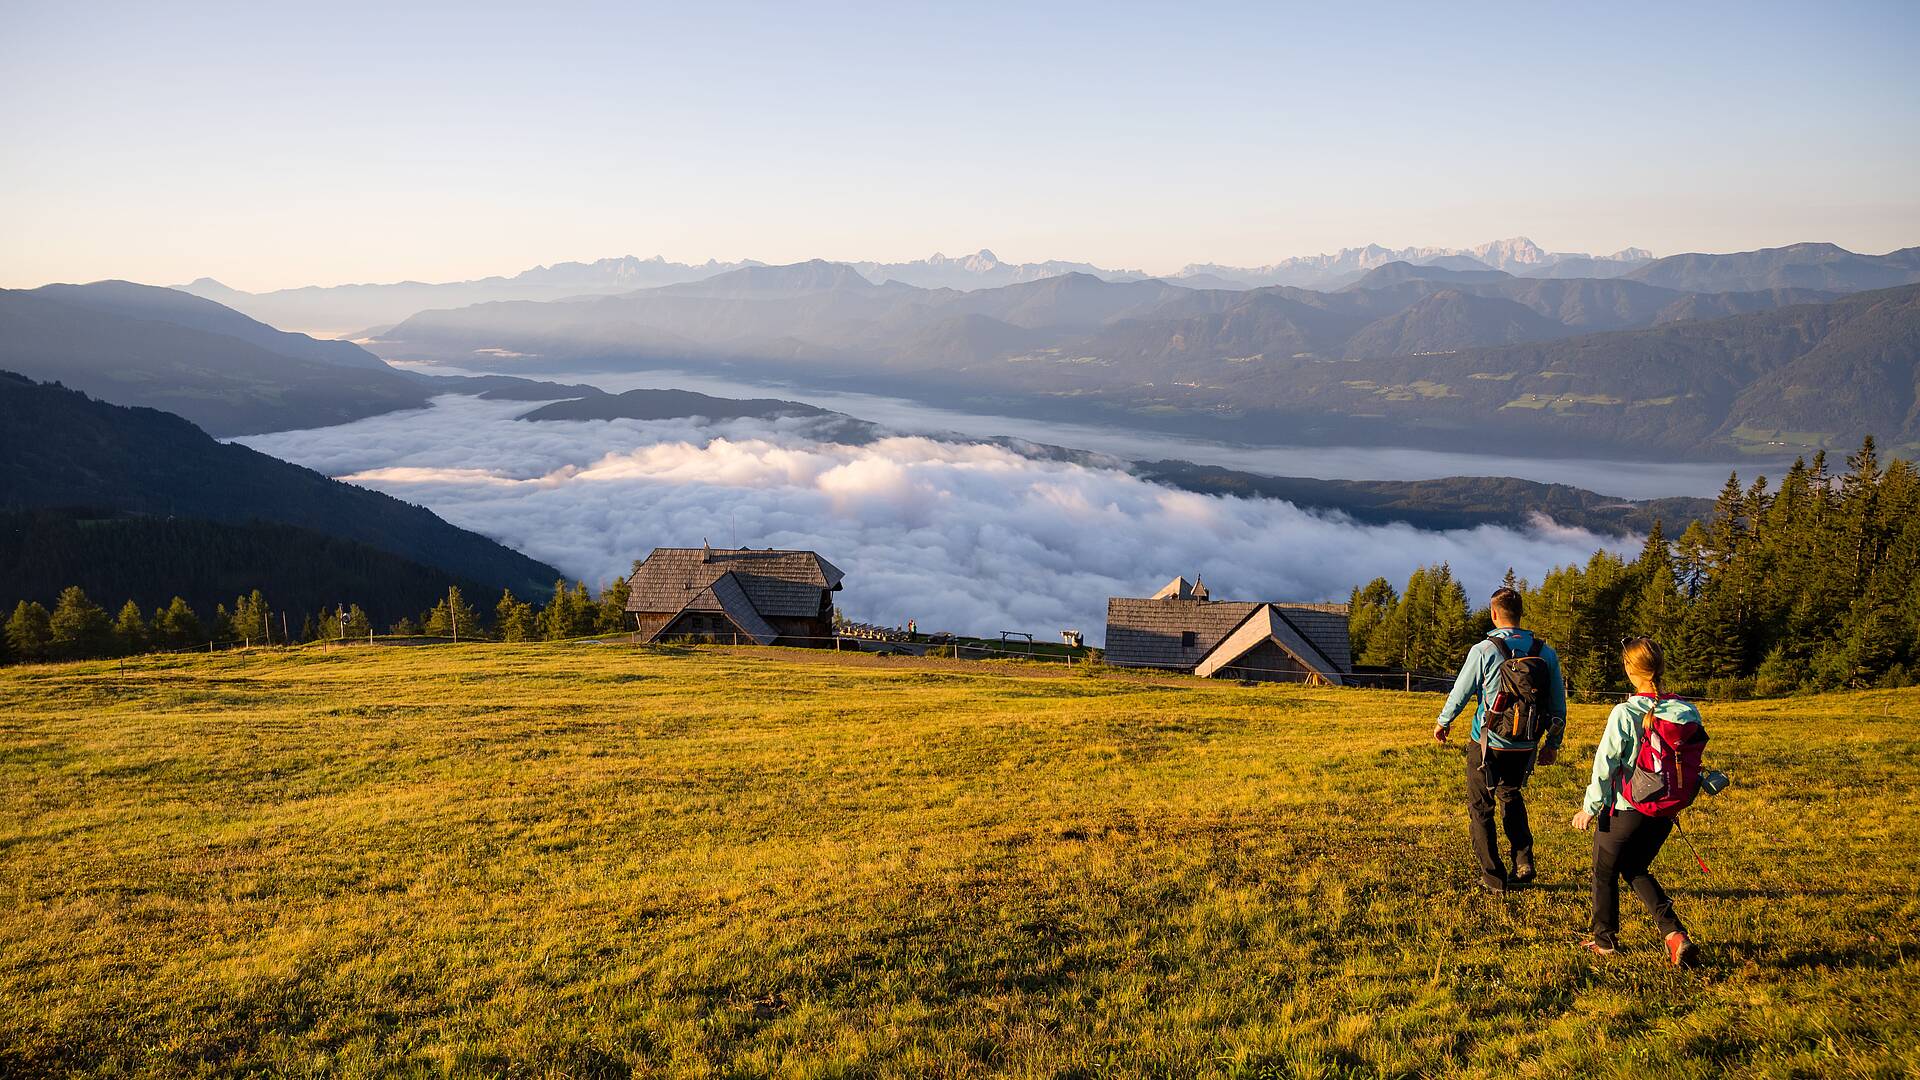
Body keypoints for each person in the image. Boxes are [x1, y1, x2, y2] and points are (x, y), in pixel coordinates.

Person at [1572, 637, 1700, 965]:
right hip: (1665, 811)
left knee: (1604, 872)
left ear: (1630, 669)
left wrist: (1590, 807)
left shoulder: (1625, 712)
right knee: (1635, 866)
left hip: (1625, 811)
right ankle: (1674, 934)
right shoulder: (1687, 710)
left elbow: (1606, 764)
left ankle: (1605, 941)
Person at [1435, 587, 1567, 893]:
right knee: (1511, 796)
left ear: (1494, 614)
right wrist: (1552, 744)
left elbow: (1461, 692)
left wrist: (1444, 722)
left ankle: (1493, 878)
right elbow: (1558, 705)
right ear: (1520, 615)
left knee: (1481, 808)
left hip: (1486, 743)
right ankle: (1523, 859)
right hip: (1526, 744)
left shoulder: (1483, 650)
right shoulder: (1545, 653)